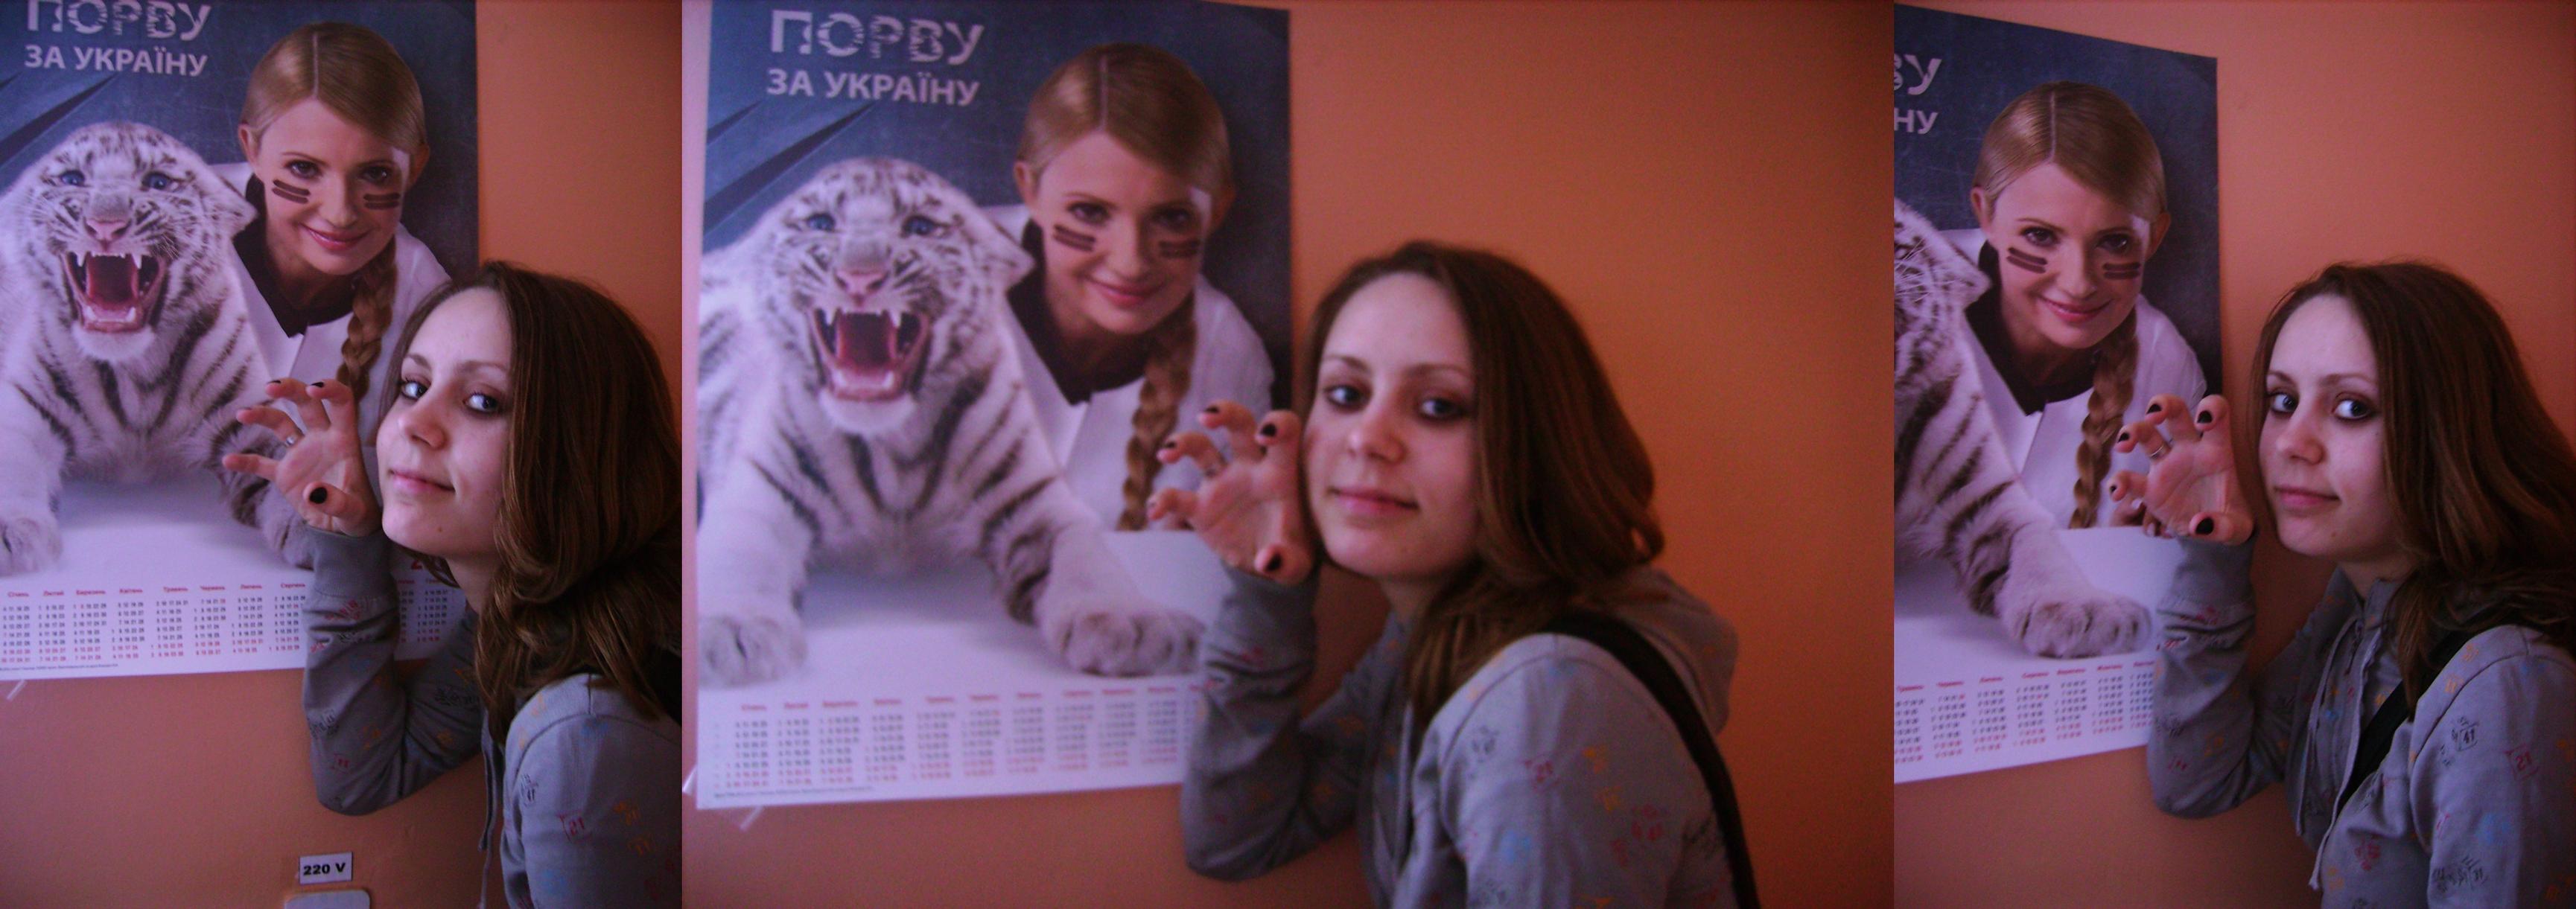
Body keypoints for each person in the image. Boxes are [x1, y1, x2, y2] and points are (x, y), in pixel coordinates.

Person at [1158, 242, 1746, 906]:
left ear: (1533, 445)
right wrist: (1268, 588)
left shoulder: (1545, 707)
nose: (1365, 437)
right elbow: (1234, 838)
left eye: (1439, 406)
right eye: (1346, 394)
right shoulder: (1426, 638)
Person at [2114, 262, 2576, 904]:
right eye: (2282, 401)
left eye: (2352, 407)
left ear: (2449, 431)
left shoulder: (2505, 688)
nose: (2290, 443)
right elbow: (2195, 779)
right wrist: (2213, 550)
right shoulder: (2356, 603)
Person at [222, 264, 683, 908]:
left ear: (582, 452)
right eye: (413, 386)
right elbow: (360, 775)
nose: (415, 423)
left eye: (483, 402)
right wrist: (348, 537)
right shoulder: (520, 619)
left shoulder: (585, 738)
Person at [991, 42, 1274, 529]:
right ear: (1030, 190)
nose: (1131, 263)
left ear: (1217, 211)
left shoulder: (1227, 354)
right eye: (1089, 212)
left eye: (1172, 218)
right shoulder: (925, 282)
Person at [1950, 80, 2203, 529]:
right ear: (1985, 214)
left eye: (2115, 242)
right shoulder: (1903, 296)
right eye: (2040, 236)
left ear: (2155, 237)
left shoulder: (2166, 368)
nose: (2079, 283)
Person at [228, 22, 451, 441]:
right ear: (252, 149)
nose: (340, 213)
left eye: (375, 174)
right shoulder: (167, 228)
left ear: (415, 167)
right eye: (304, 168)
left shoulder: (424, 295)